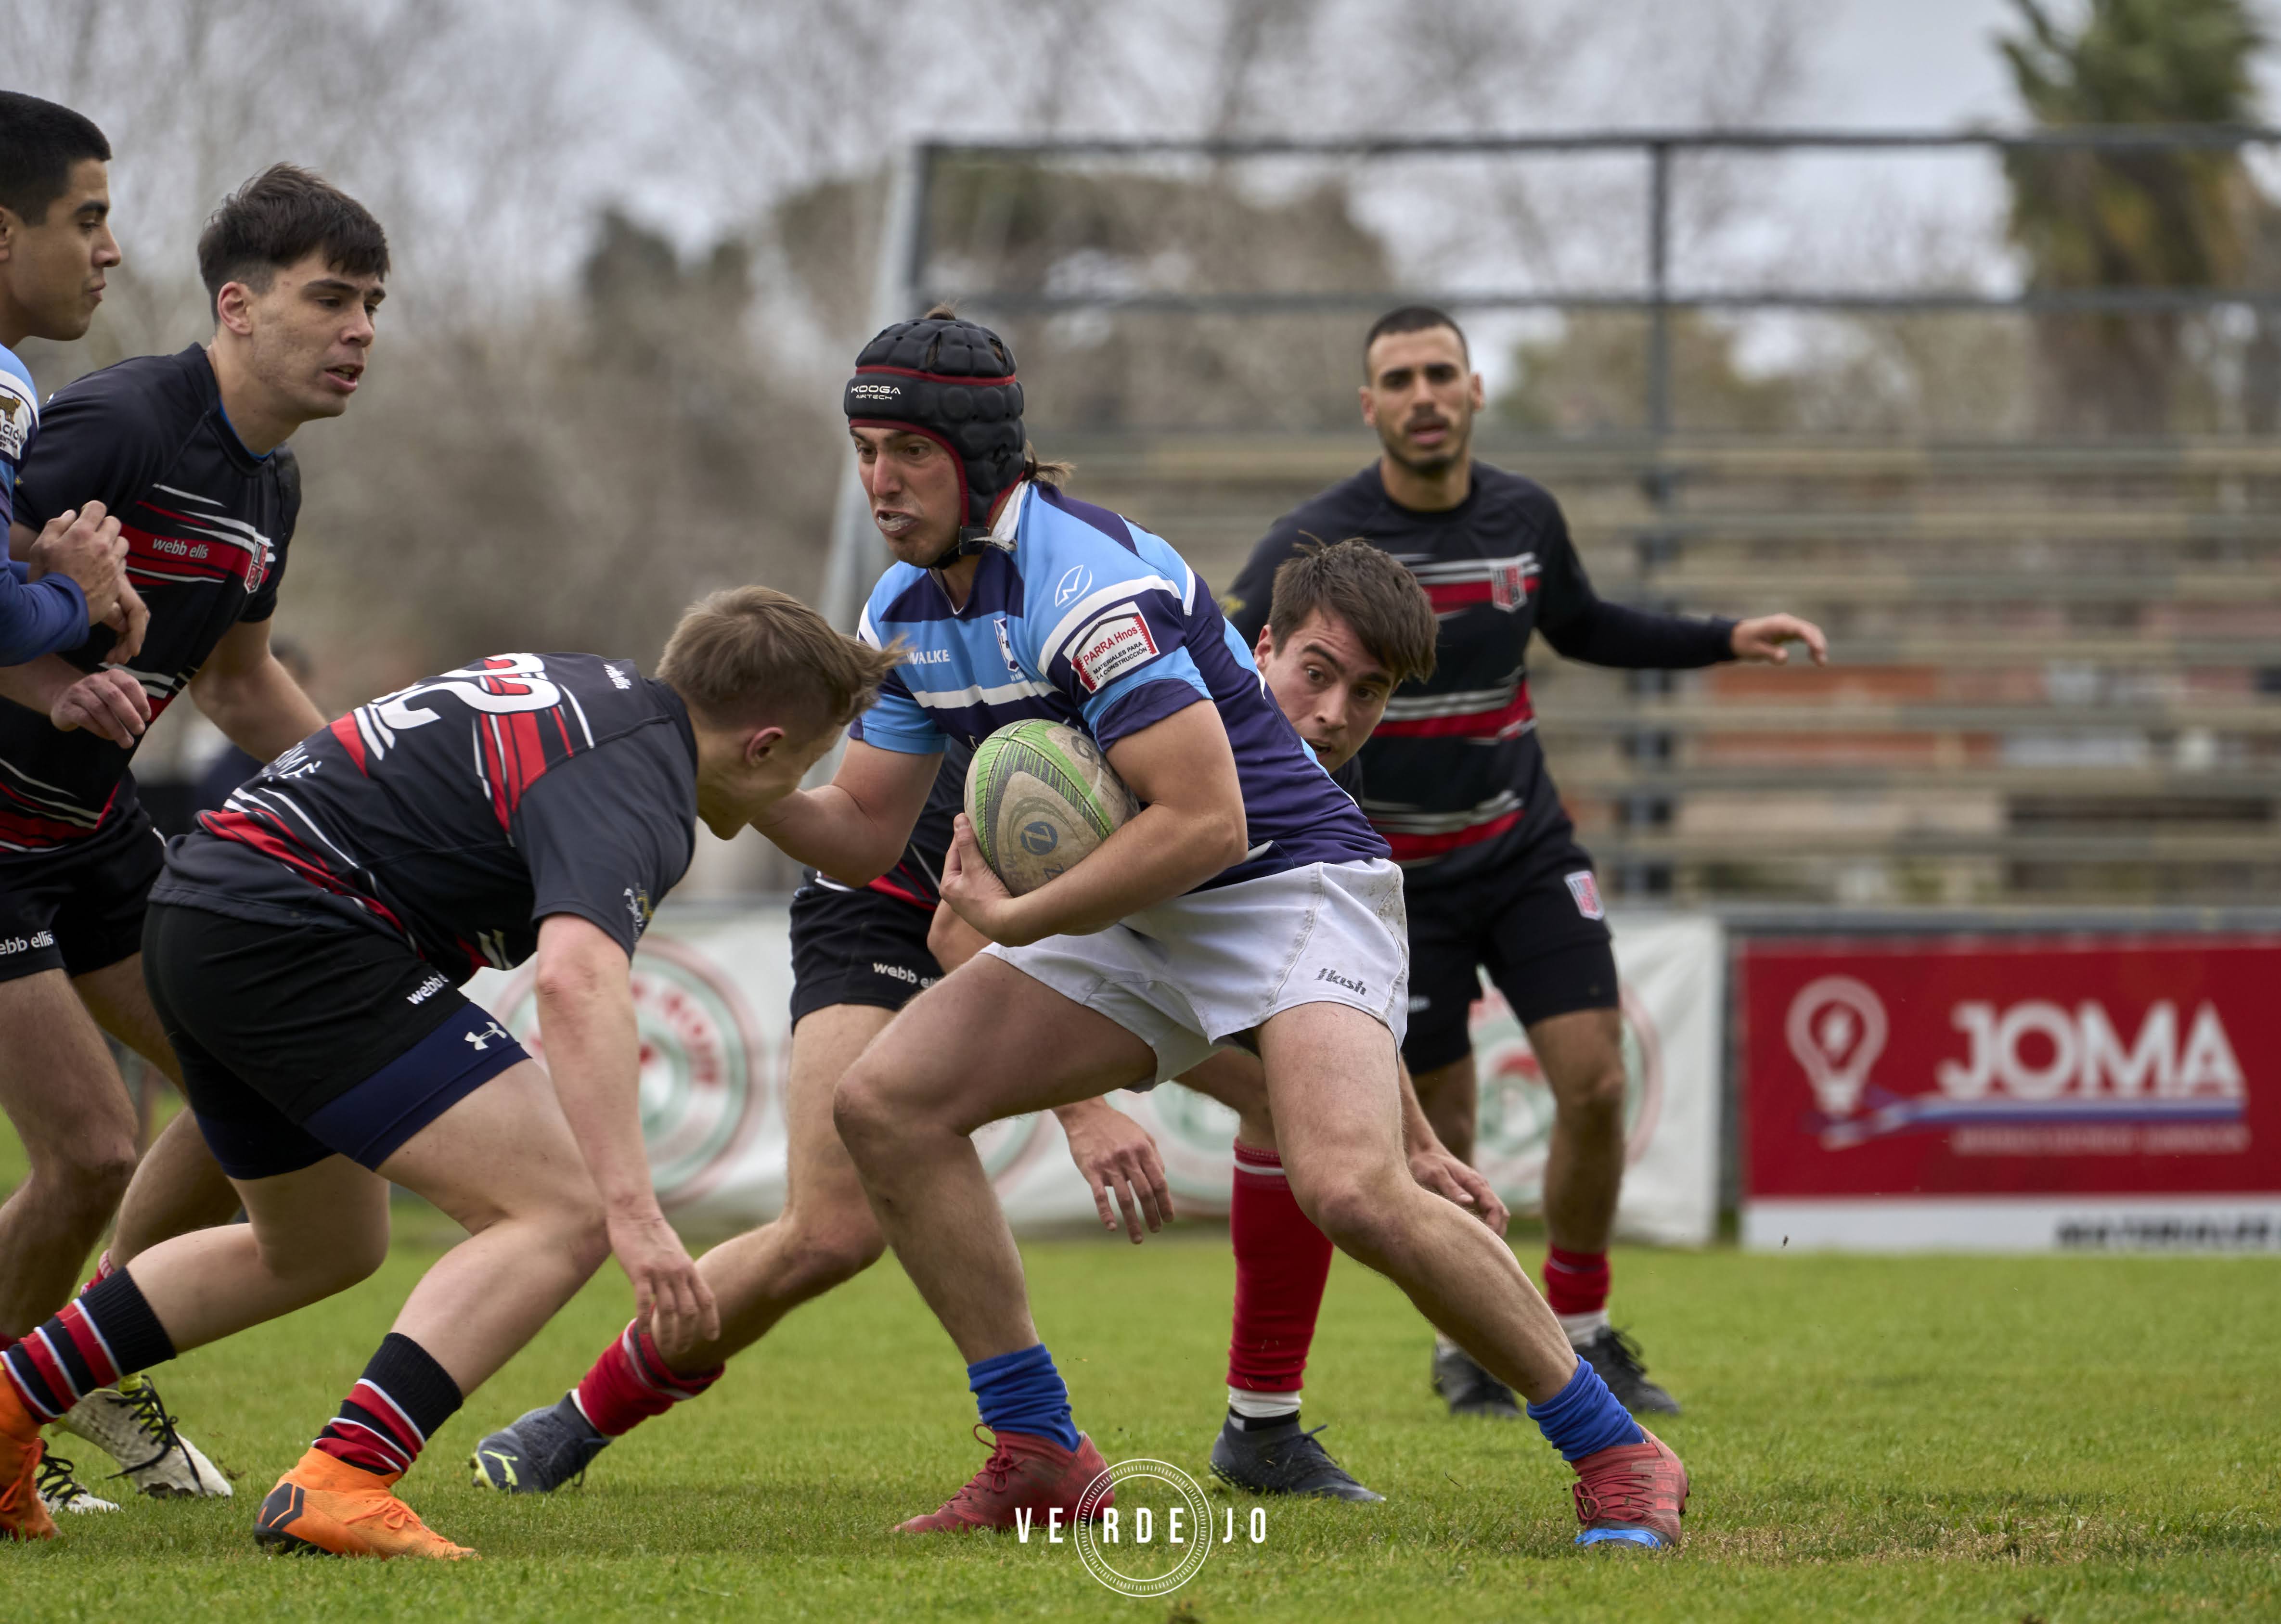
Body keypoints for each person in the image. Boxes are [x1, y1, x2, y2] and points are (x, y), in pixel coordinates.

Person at [754, 311, 1689, 1548]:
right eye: (866, 447)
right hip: (1145, 896)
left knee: (1351, 1185)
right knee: (884, 1105)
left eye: (910, 451)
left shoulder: (1090, 588)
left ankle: (1618, 1452)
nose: (880, 480)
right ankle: (1037, 1446)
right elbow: (868, 831)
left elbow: (1206, 821)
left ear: (981, 458)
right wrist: (738, 783)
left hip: (1289, 879)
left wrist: (1018, 919)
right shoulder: (906, 605)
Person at [465, 537, 1496, 1508]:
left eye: (1368, 692)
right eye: (1316, 673)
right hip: (887, 898)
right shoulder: (1152, 687)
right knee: (828, 1233)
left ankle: (1261, 1424)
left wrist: (1411, 1137)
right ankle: (579, 1415)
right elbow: (970, 938)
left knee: (1295, 1102)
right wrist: (1084, 1111)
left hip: (1043, 926)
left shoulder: (1276, 766)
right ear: (1257, 645)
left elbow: (1318, 982)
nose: (1332, 711)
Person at [0, 588, 898, 1551]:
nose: (794, 795)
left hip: (204, 908)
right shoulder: (638, 779)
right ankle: (345, 1476)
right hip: (294, 929)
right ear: (762, 745)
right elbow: (577, 976)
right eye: (805, 765)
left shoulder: (590, 686)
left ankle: (10, 1407)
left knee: (317, 1244)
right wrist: (635, 1211)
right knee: (565, 1207)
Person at [1224, 306, 1829, 1421]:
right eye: (1398, 377)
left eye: (1440, 372)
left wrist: (1722, 636)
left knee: (1597, 1081)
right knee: (1438, 1132)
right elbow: (1223, 653)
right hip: (1391, 876)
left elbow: (1589, 623)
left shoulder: (1525, 516)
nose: (1423, 394)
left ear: (1474, 389)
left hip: (1522, 842)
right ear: (1369, 406)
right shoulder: (1311, 544)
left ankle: (1586, 1326)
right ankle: (1474, 1345)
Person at [0, 162, 391, 1509]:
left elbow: (235, 682)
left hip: (91, 829)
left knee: (265, 1074)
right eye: (330, 299)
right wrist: (55, 676)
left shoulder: (269, 485)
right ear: (237, 305)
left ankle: (87, 1350)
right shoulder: (116, 420)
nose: (360, 331)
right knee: (96, 1149)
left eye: (374, 305)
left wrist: (383, 787)